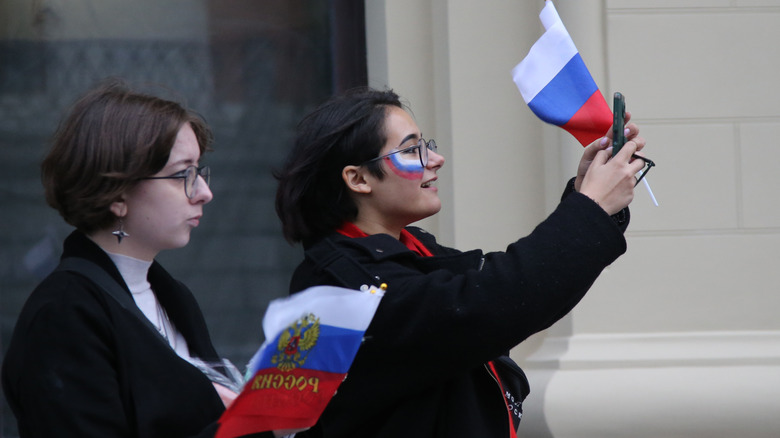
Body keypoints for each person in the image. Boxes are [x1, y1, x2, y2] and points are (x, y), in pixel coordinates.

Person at [274, 87, 647, 438]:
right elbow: (491, 304)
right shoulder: (338, 285)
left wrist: (586, 195)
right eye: (411, 150)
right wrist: (590, 207)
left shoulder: (410, 249)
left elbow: (518, 288)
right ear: (358, 179)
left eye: (426, 145)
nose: (435, 159)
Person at [1, 79, 248, 438]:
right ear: (117, 193)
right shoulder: (65, 314)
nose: (204, 193)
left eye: (200, 171)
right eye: (183, 174)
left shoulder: (172, 295)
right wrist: (255, 429)